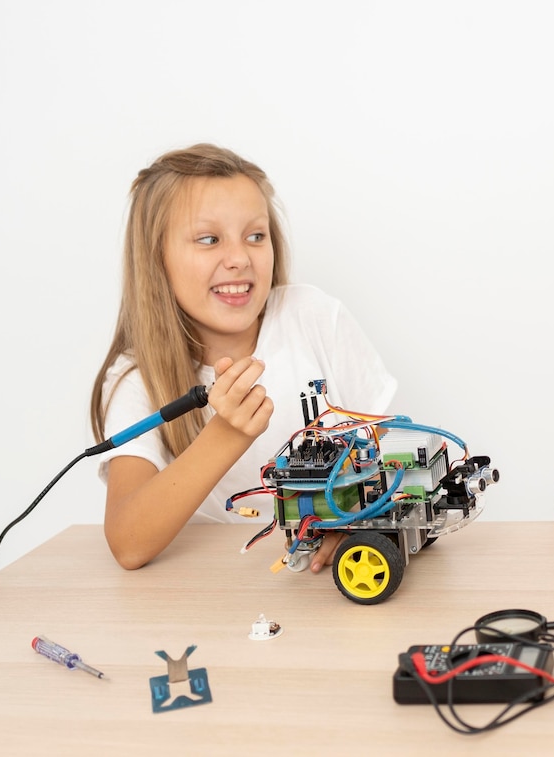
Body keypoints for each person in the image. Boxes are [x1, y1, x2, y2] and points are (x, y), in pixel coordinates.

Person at [90, 144, 396, 571]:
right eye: (209, 239)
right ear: (157, 259)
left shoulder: (314, 318)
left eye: (256, 236)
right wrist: (227, 434)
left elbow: (395, 463)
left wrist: (364, 520)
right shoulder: (136, 379)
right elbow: (129, 542)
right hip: (216, 591)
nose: (239, 259)